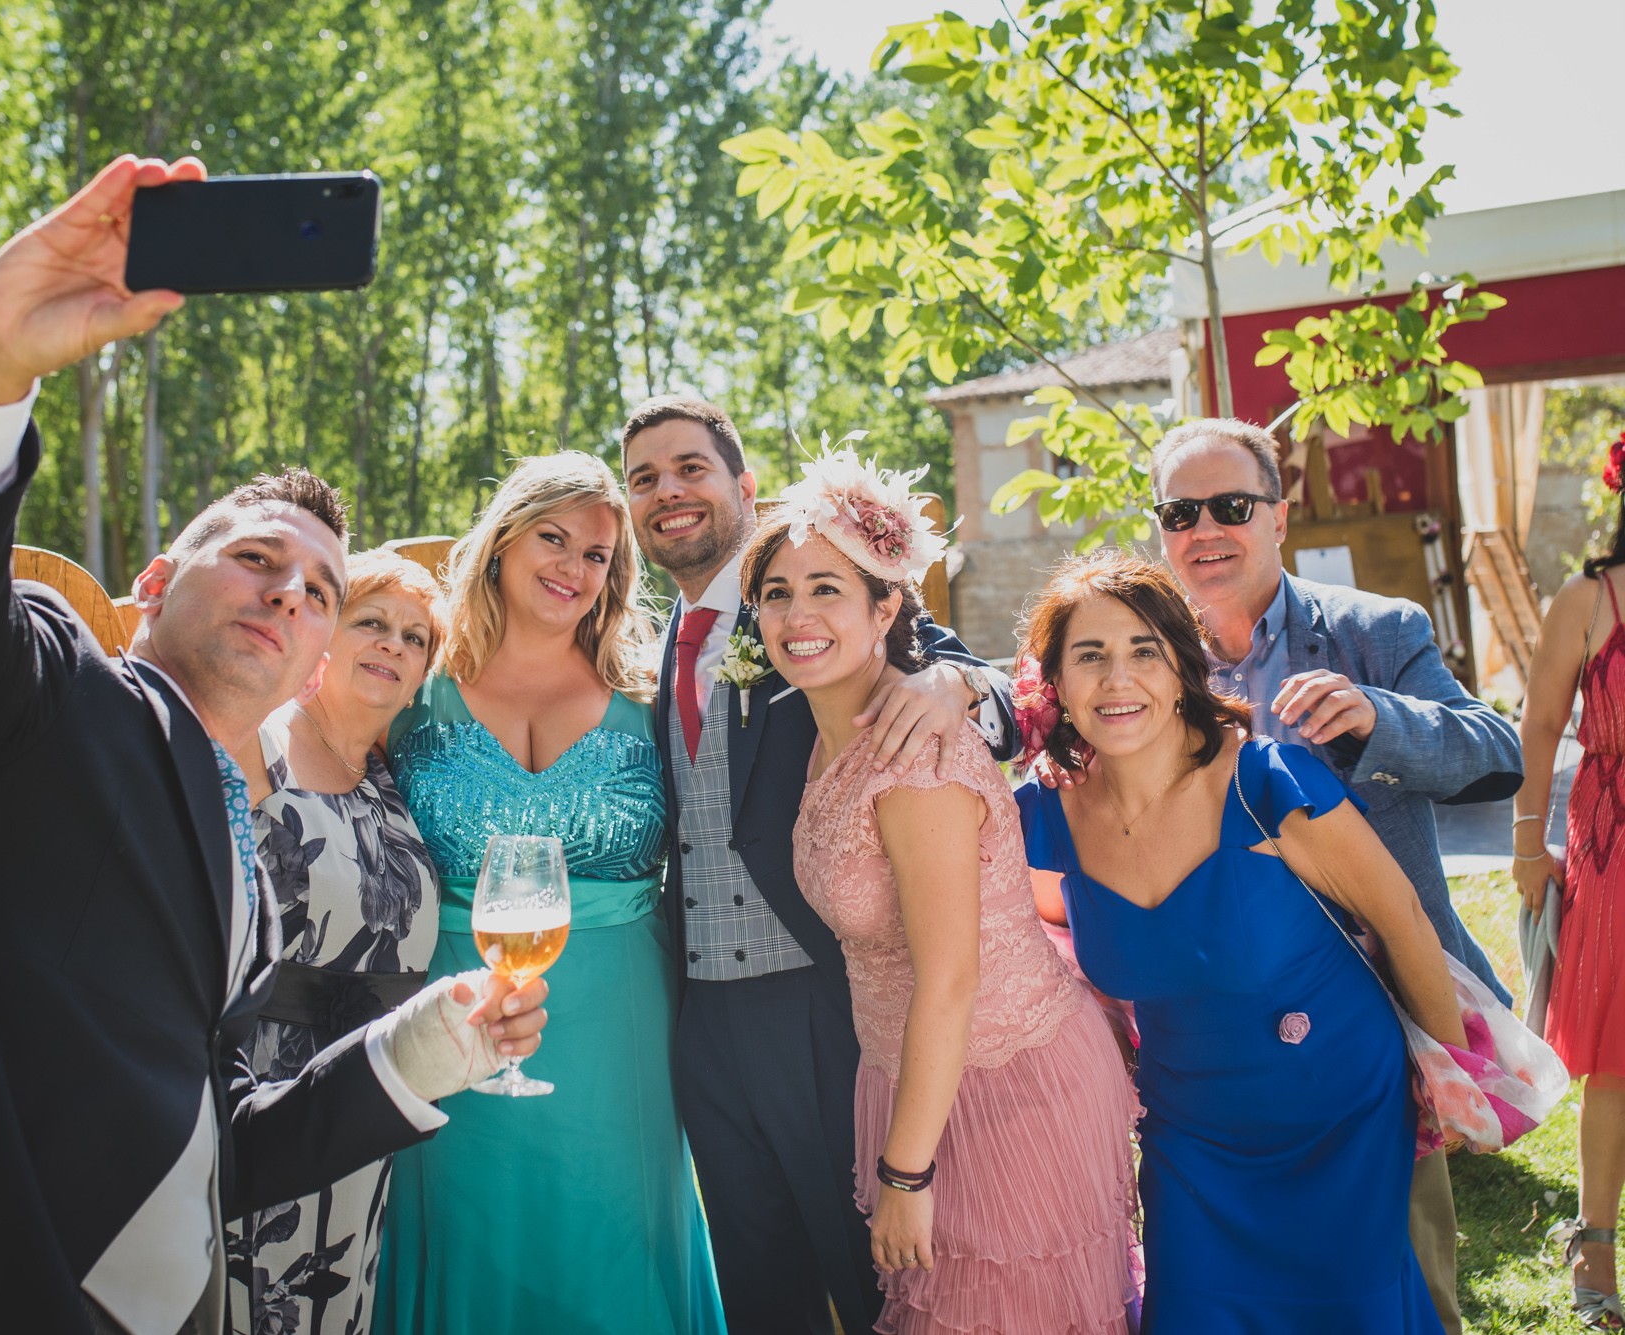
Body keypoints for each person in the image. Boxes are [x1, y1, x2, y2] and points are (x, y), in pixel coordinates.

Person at [0, 155, 549, 1335]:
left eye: (317, 588)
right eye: (255, 556)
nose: (288, 592)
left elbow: (203, 1142)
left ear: (316, 658)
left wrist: (422, 1049)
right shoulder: (49, 692)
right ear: (154, 581)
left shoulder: (242, 846)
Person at [620, 398, 1015, 1335]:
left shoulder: (820, 596)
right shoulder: (631, 646)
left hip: (822, 999)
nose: (668, 493)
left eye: (690, 469)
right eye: (644, 479)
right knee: (761, 1289)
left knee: (871, 1268)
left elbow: (1001, 694)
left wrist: (954, 682)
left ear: (743, 488)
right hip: (700, 1015)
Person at [741, 453, 1140, 1335]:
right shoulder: (823, 728)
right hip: (918, 1079)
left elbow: (950, 977)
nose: (796, 615)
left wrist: (904, 1176)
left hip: (1009, 1087)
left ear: (887, 606)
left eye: (825, 588)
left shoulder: (915, 753)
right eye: (775, 593)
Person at [1015, 548, 1464, 1331]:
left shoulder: (1269, 783)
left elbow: (1404, 921)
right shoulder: (1045, 817)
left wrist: (1456, 1082)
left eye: (1143, 651)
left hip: (1338, 1111)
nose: (1118, 680)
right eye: (1090, 656)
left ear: (1183, 667)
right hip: (1190, 1134)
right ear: (1052, 681)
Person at [1145, 416, 1522, 1334]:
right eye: (1180, 511)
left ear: (1280, 514)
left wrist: (1379, 720)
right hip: (1214, 1029)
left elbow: (1496, 752)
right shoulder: (1145, 658)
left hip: (1377, 1009)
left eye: (1231, 505)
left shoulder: (1373, 631)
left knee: (1405, 1268)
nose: (1205, 530)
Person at [374, 452, 724, 1335]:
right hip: (448, 1004)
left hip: (622, 1019)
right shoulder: (413, 687)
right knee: (465, 1228)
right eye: (553, 539)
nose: (573, 568)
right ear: (500, 544)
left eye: (598, 555)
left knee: (613, 1233)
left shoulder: (649, 694)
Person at [228, 549, 448, 1335]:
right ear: (325, 633)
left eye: (414, 637)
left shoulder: (391, 770)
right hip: (266, 1090)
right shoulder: (259, 744)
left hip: (367, 1092)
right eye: (371, 622)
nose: (392, 644)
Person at [1515, 432, 1625, 1330]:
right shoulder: (1590, 597)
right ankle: (1595, 1239)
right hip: (1614, 853)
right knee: (1619, 1060)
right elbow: (1542, 722)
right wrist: (1525, 841)